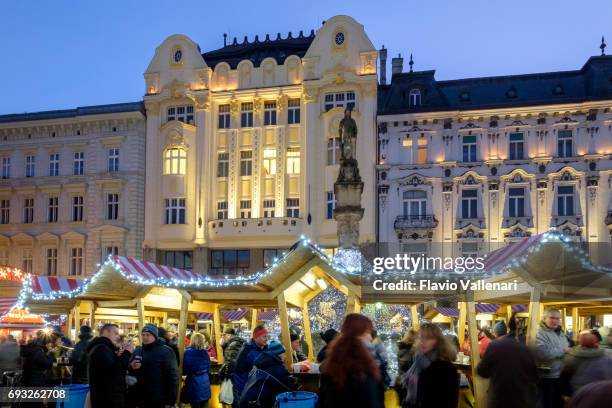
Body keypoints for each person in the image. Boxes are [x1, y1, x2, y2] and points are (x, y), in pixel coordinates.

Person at [318, 313, 384, 408]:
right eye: (367, 332)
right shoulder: (363, 365)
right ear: (358, 334)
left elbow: (323, 400)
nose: (370, 337)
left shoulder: (332, 362)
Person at [477, 321, 539, 408]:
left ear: (495, 333)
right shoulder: (525, 347)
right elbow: (534, 374)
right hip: (521, 397)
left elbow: (483, 371)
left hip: (500, 396)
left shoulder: (494, 346)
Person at [402, 323, 459, 408]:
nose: (423, 341)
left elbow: (449, 401)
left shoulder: (446, 368)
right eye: (421, 337)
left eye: (428, 338)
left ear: (437, 342)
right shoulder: (416, 361)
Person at [129, 323, 179, 408]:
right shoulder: (138, 351)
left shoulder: (166, 352)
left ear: (155, 336)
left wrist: (170, 401)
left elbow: (173, 377)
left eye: (148, 335)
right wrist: (131, 366)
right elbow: (129, 368)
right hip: (140, 398)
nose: (144, 337)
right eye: (143, 335)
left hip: (159, 399)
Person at [240, 340, 298, 407]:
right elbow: (287, 385)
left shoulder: (261, 364)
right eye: (283, 353)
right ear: (279, 354)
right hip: (256, 404)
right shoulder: (275, 366)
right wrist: (297, 381)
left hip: (246, 401)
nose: (285, 356)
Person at [87, 323, 133, 408]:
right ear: (106, 332)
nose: (118, 337)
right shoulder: (102, 348)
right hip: (108, 400)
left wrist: (118, 357)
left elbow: (109, 367)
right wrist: (127, 353)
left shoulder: (103, 348)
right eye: (115, 333)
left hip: (106, 398)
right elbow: (114, 372)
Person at [535, 307, 570, 408]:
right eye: (552, 318)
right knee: (548, 403)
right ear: (544, 318)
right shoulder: (539, 332)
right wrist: (563, 351)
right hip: (547, 377)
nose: (555, 321)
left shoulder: (559, 332)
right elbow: (542, 354)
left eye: (558, 318)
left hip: (560, 374)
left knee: (558, 403)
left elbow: (566, 346)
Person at [561, 330, 612, 395]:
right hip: (600, 392)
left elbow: (565, 376)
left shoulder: (572, 356)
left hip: (579, 391)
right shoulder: (605, 356)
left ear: (580, 342)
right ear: (596, 343)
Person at [233, 325, 269, 400]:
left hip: (259, 388)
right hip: (246, 388)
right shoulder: (247, 350)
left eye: (267, 336)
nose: (267, 339)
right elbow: (239, 371)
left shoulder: (266, 348)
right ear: (256, 337)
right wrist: (245, 390)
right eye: (264, 336)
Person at [218, 327, 245, 408]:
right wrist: (223, 346)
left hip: (234, 377)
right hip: (237, 376)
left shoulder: (234, 344)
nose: (223, 337)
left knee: (236, 400)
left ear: (229, 335)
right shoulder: (234, 343)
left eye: (224, 335)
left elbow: (230, 362)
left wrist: (223, 374)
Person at [182, 332, 211, 408]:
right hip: (205, 381)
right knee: (204, 404)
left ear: (192, 340)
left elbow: (184, 369)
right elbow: (208, 368)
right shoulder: (205, 353)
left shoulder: (187, 353)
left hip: (193, 382)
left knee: (194, 405)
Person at [396, 328, 417, 402]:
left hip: (402, 376)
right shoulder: (412, 349)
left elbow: (400, 363)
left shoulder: (400, 347)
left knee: (404, 398)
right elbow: (409, 364)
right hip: (410, 378)